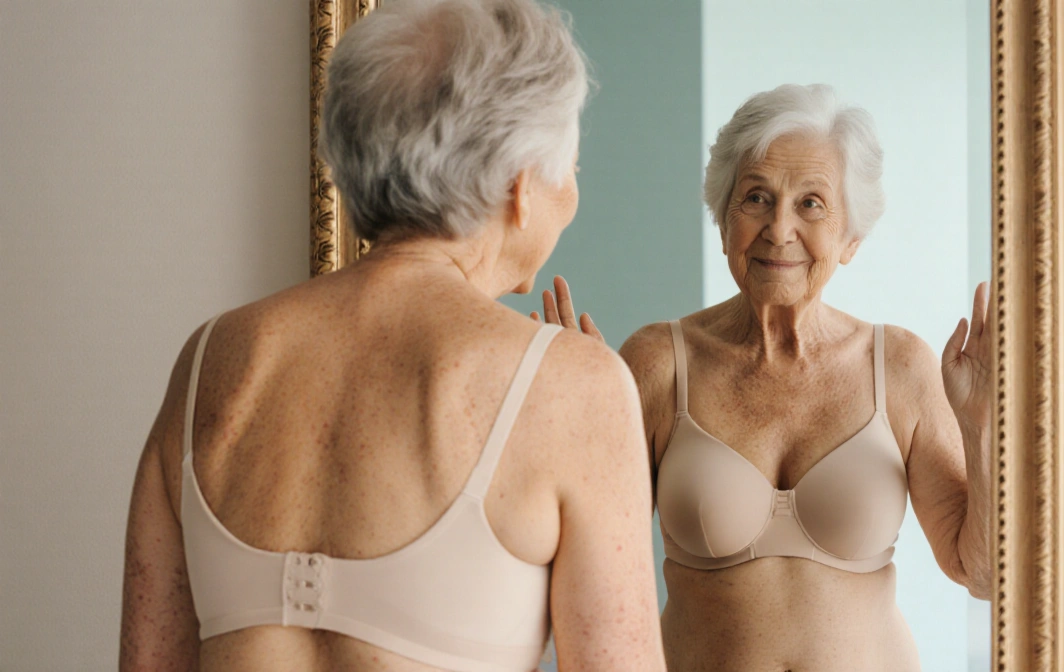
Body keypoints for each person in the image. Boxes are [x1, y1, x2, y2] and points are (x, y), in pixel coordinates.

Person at [118, 1, 666, 670]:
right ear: (520, 186)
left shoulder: (213, 361)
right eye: (569, 168)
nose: (572, 192)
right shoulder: (572, 387)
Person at [613, 83, 992, 671]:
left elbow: (982, 574)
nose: (779, 229)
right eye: (756, 198)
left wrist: (980, 430)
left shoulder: (900, 367)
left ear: (851, 238)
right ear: (722, 218)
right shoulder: (657, 363)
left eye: (811, 203)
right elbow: (593, 564)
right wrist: (579, 415)